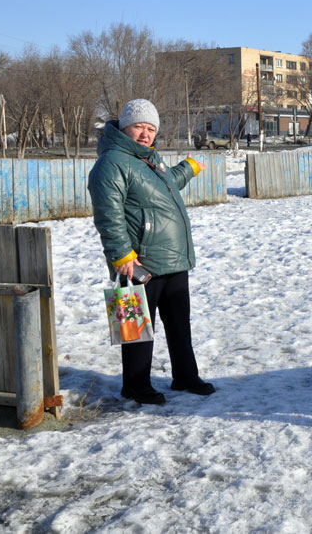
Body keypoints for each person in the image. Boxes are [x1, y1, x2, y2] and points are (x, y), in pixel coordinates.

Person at [88, 99, 215, 405]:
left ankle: (185, 376)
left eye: (150, 128)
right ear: (123, 126)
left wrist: (189, 168)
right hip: (137, 262)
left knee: (178, 324)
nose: (145, 134)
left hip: (172, 259)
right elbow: (109, 215)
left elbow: (166, 185)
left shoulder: (148, 159)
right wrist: (122, 257)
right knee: (136, 327)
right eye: (138, 127)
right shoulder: (112, 162)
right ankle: (135, 385)